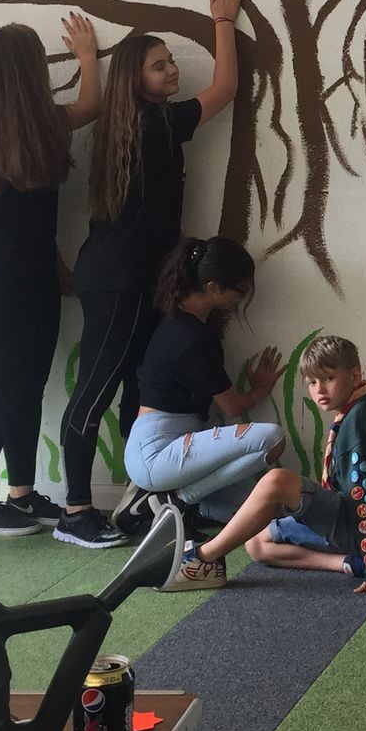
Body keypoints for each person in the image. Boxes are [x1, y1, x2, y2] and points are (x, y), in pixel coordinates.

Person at [57, 0, 242, 550]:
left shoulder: (133, 126)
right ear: (135, 80)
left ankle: (140, 500)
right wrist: (223, 22)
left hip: (135, 280)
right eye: (160, 66)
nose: (172, 70)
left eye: (171, 62)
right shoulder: (155, 124)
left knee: (138, 394)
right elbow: (226, 88)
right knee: (96, 391)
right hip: (117, 282)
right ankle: (75, 512)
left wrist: (88, 60)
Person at [0, 17, 103, 534]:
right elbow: (91, 106)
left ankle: (20, 493)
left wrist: (55, 266)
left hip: (14, 274)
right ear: (31, 72)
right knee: (5, 388)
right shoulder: (44, 127)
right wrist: (88, 57)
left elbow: (28, 222)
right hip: (7, 280)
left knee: (26, 387)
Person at [122, 236, 302, 591]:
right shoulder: (190, 338)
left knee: (261, 512)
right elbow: (231, 406)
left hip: (171, 447)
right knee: (273, 438)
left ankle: (182, 502)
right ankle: (176, 499)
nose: (241, 299)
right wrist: (260, 390)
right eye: (239, 291)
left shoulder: (185, 322)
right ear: (212, 287)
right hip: (155, 452)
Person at [247, 335, 366, 603]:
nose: (319, 390)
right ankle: (348, 564)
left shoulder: (359, 423)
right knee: (256, 544)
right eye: (312, 382)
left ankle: (204, 557)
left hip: (359, 530)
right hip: (365, 525)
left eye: (328, 378)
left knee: (273, 497)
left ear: (354, 376)